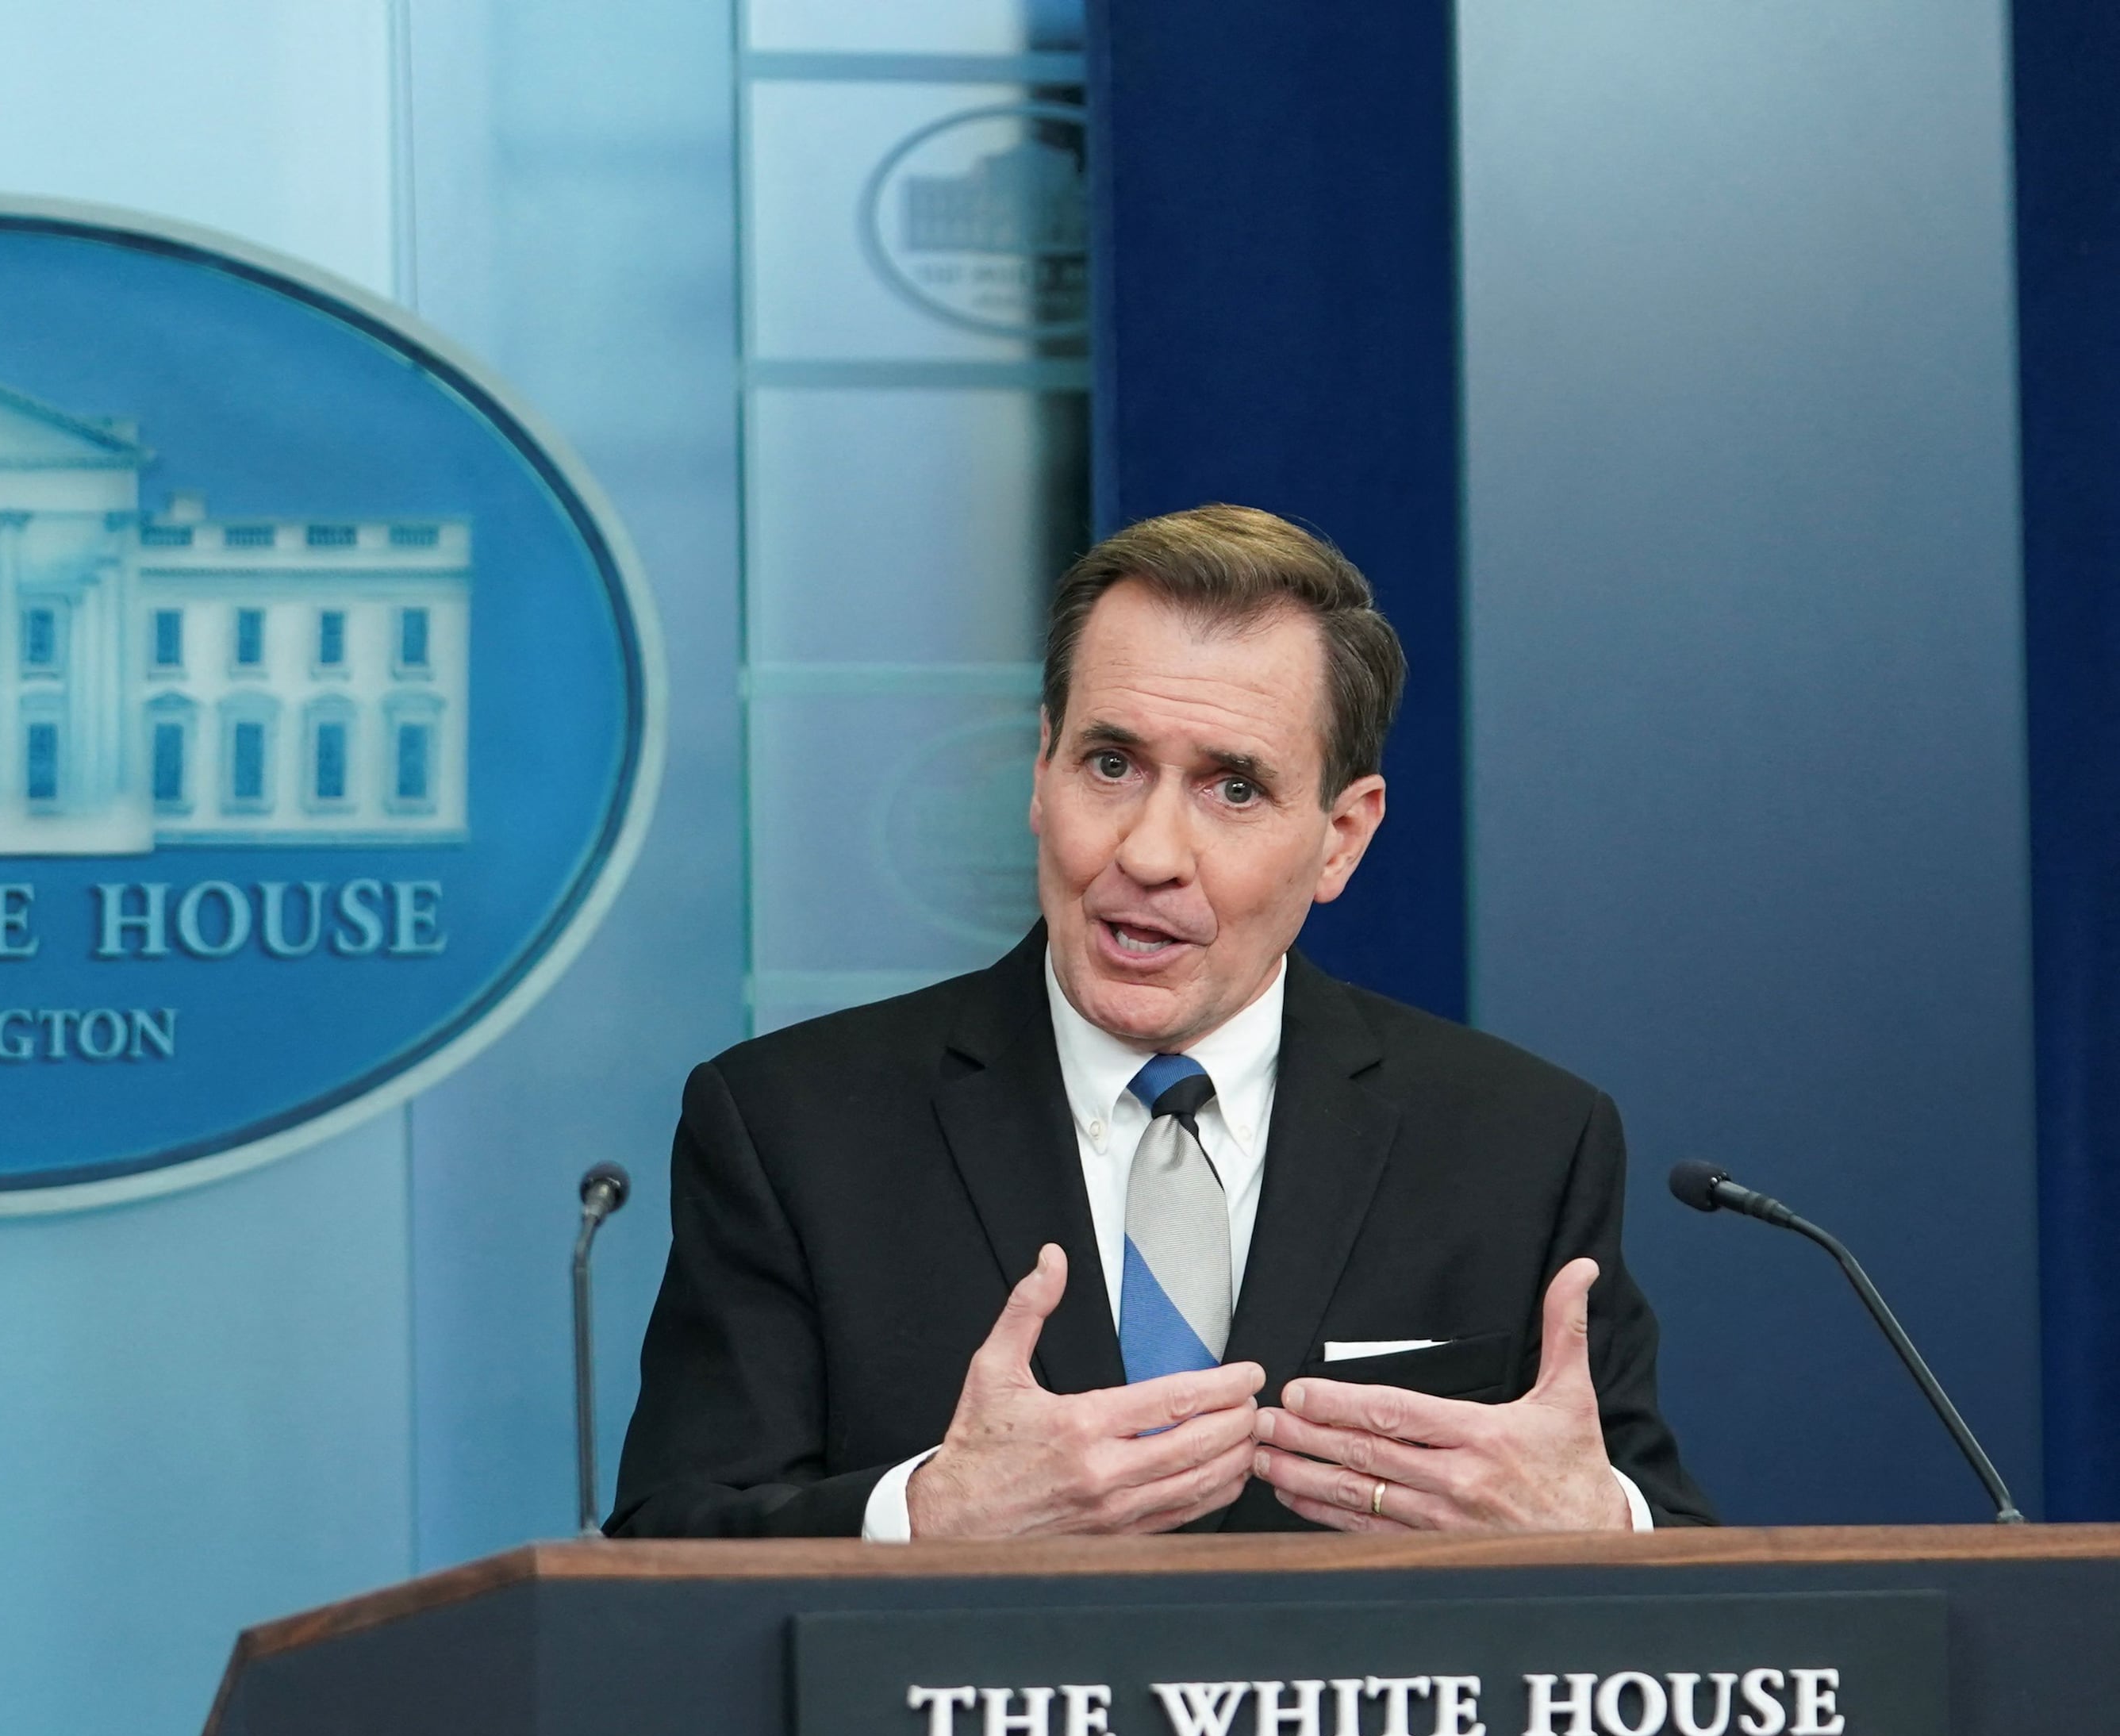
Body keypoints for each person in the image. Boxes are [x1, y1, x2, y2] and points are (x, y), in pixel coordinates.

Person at [611, 505, 1713, 1541]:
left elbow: (1695, 1578)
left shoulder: (1519, 1144)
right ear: (1042, 773)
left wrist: (1597, 1532)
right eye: (1111, 764)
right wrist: (926, 1519)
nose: (1147, 854)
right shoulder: (795, 1128)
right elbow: (661, 1554)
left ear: (1341, 836)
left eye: (1233, 789)